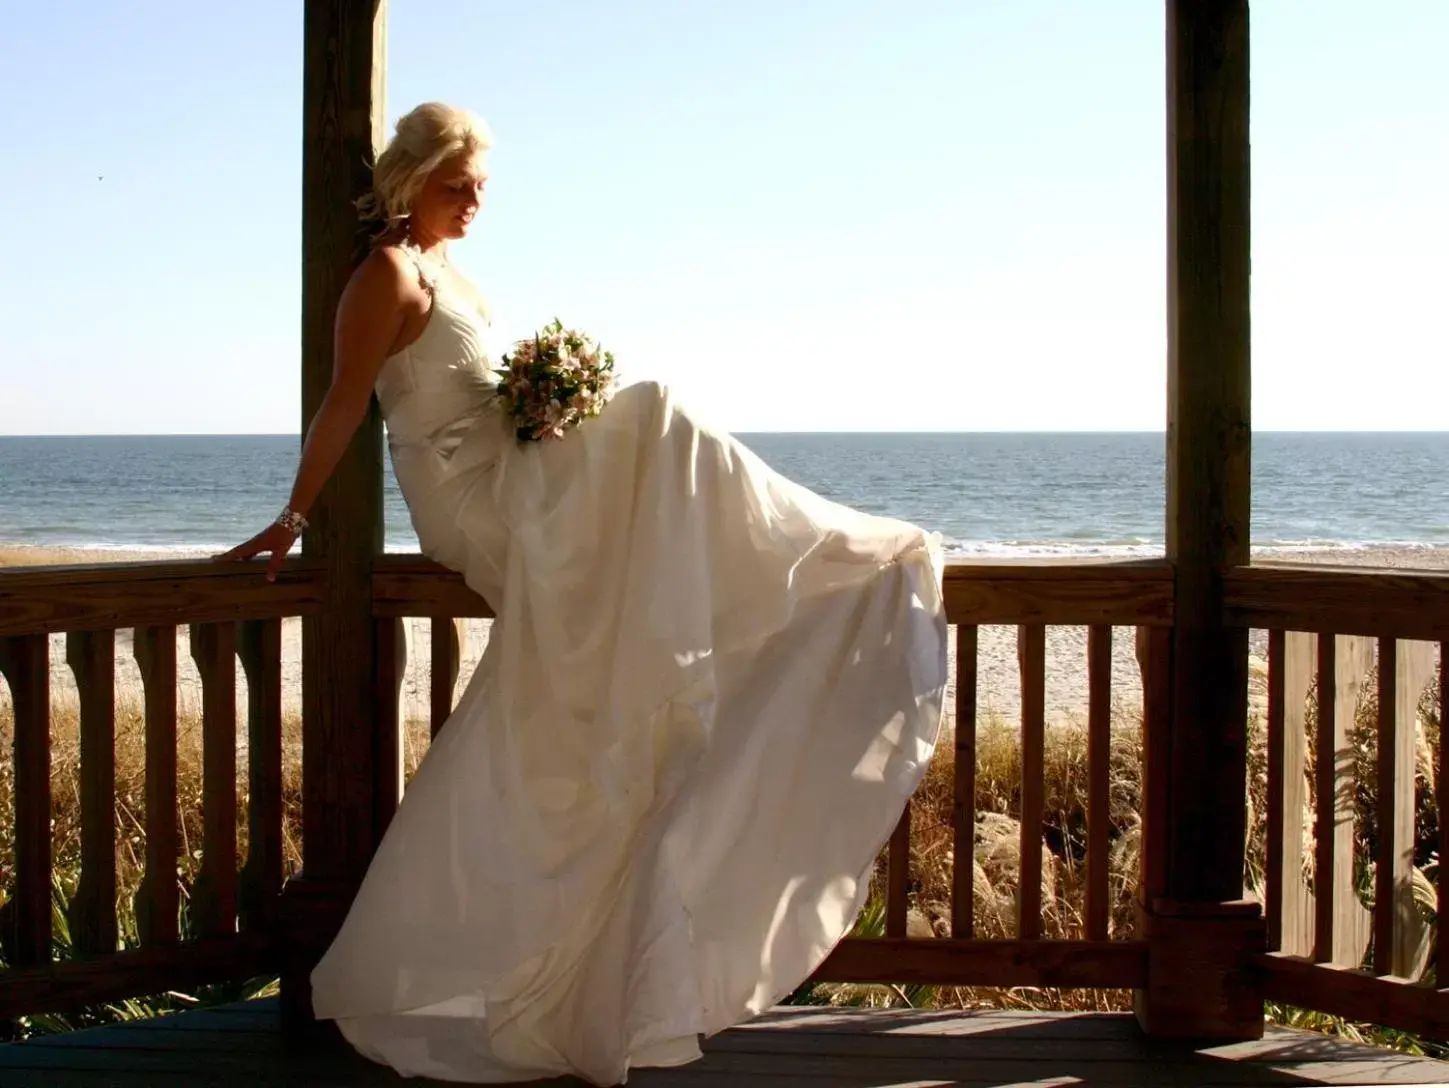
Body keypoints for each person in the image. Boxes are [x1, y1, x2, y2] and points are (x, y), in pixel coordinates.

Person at [220, 102, 948, 1086]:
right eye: (455, 184)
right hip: (473, 497)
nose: (473, 201)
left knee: (651, 428)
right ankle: (809, 551)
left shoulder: (452, 274)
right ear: (410, 179)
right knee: (657, 414)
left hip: (521, 473)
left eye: (481, 186)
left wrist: (549, 403)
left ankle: (798, 572)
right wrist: (294, 517)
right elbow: (345, 399)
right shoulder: (385, 276)